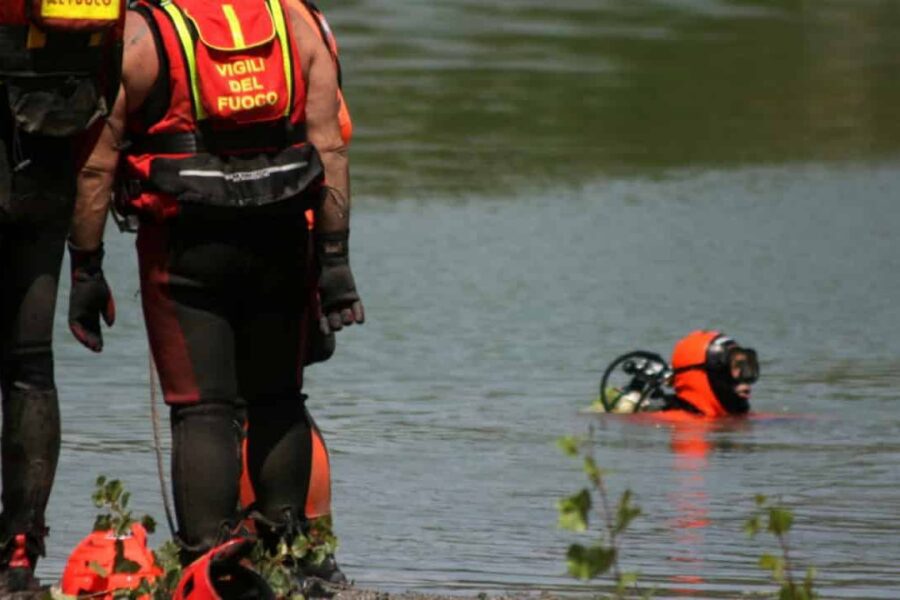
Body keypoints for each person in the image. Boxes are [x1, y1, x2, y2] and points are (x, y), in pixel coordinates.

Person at [68, 0, 364, 588]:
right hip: (281, 236)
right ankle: (289, 560)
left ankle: (209, 567)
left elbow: (97, 166)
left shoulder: (145, 35)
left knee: (202, 409)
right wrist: (335, 260)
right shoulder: (296, 22)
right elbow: (330, 147)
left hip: (184, 249)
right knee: (278, 398)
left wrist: (86, 268)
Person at [0, 0, 124, 592]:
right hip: (45, 180)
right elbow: (105, 120)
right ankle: (20, 556)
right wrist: (88, 262)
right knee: (30, 367)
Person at [596, 330, 759, 417]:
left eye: (747, 367)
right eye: (735, 367)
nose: (745, 380)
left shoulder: (736, 418)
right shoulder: (671, 421)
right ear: (704, 371)